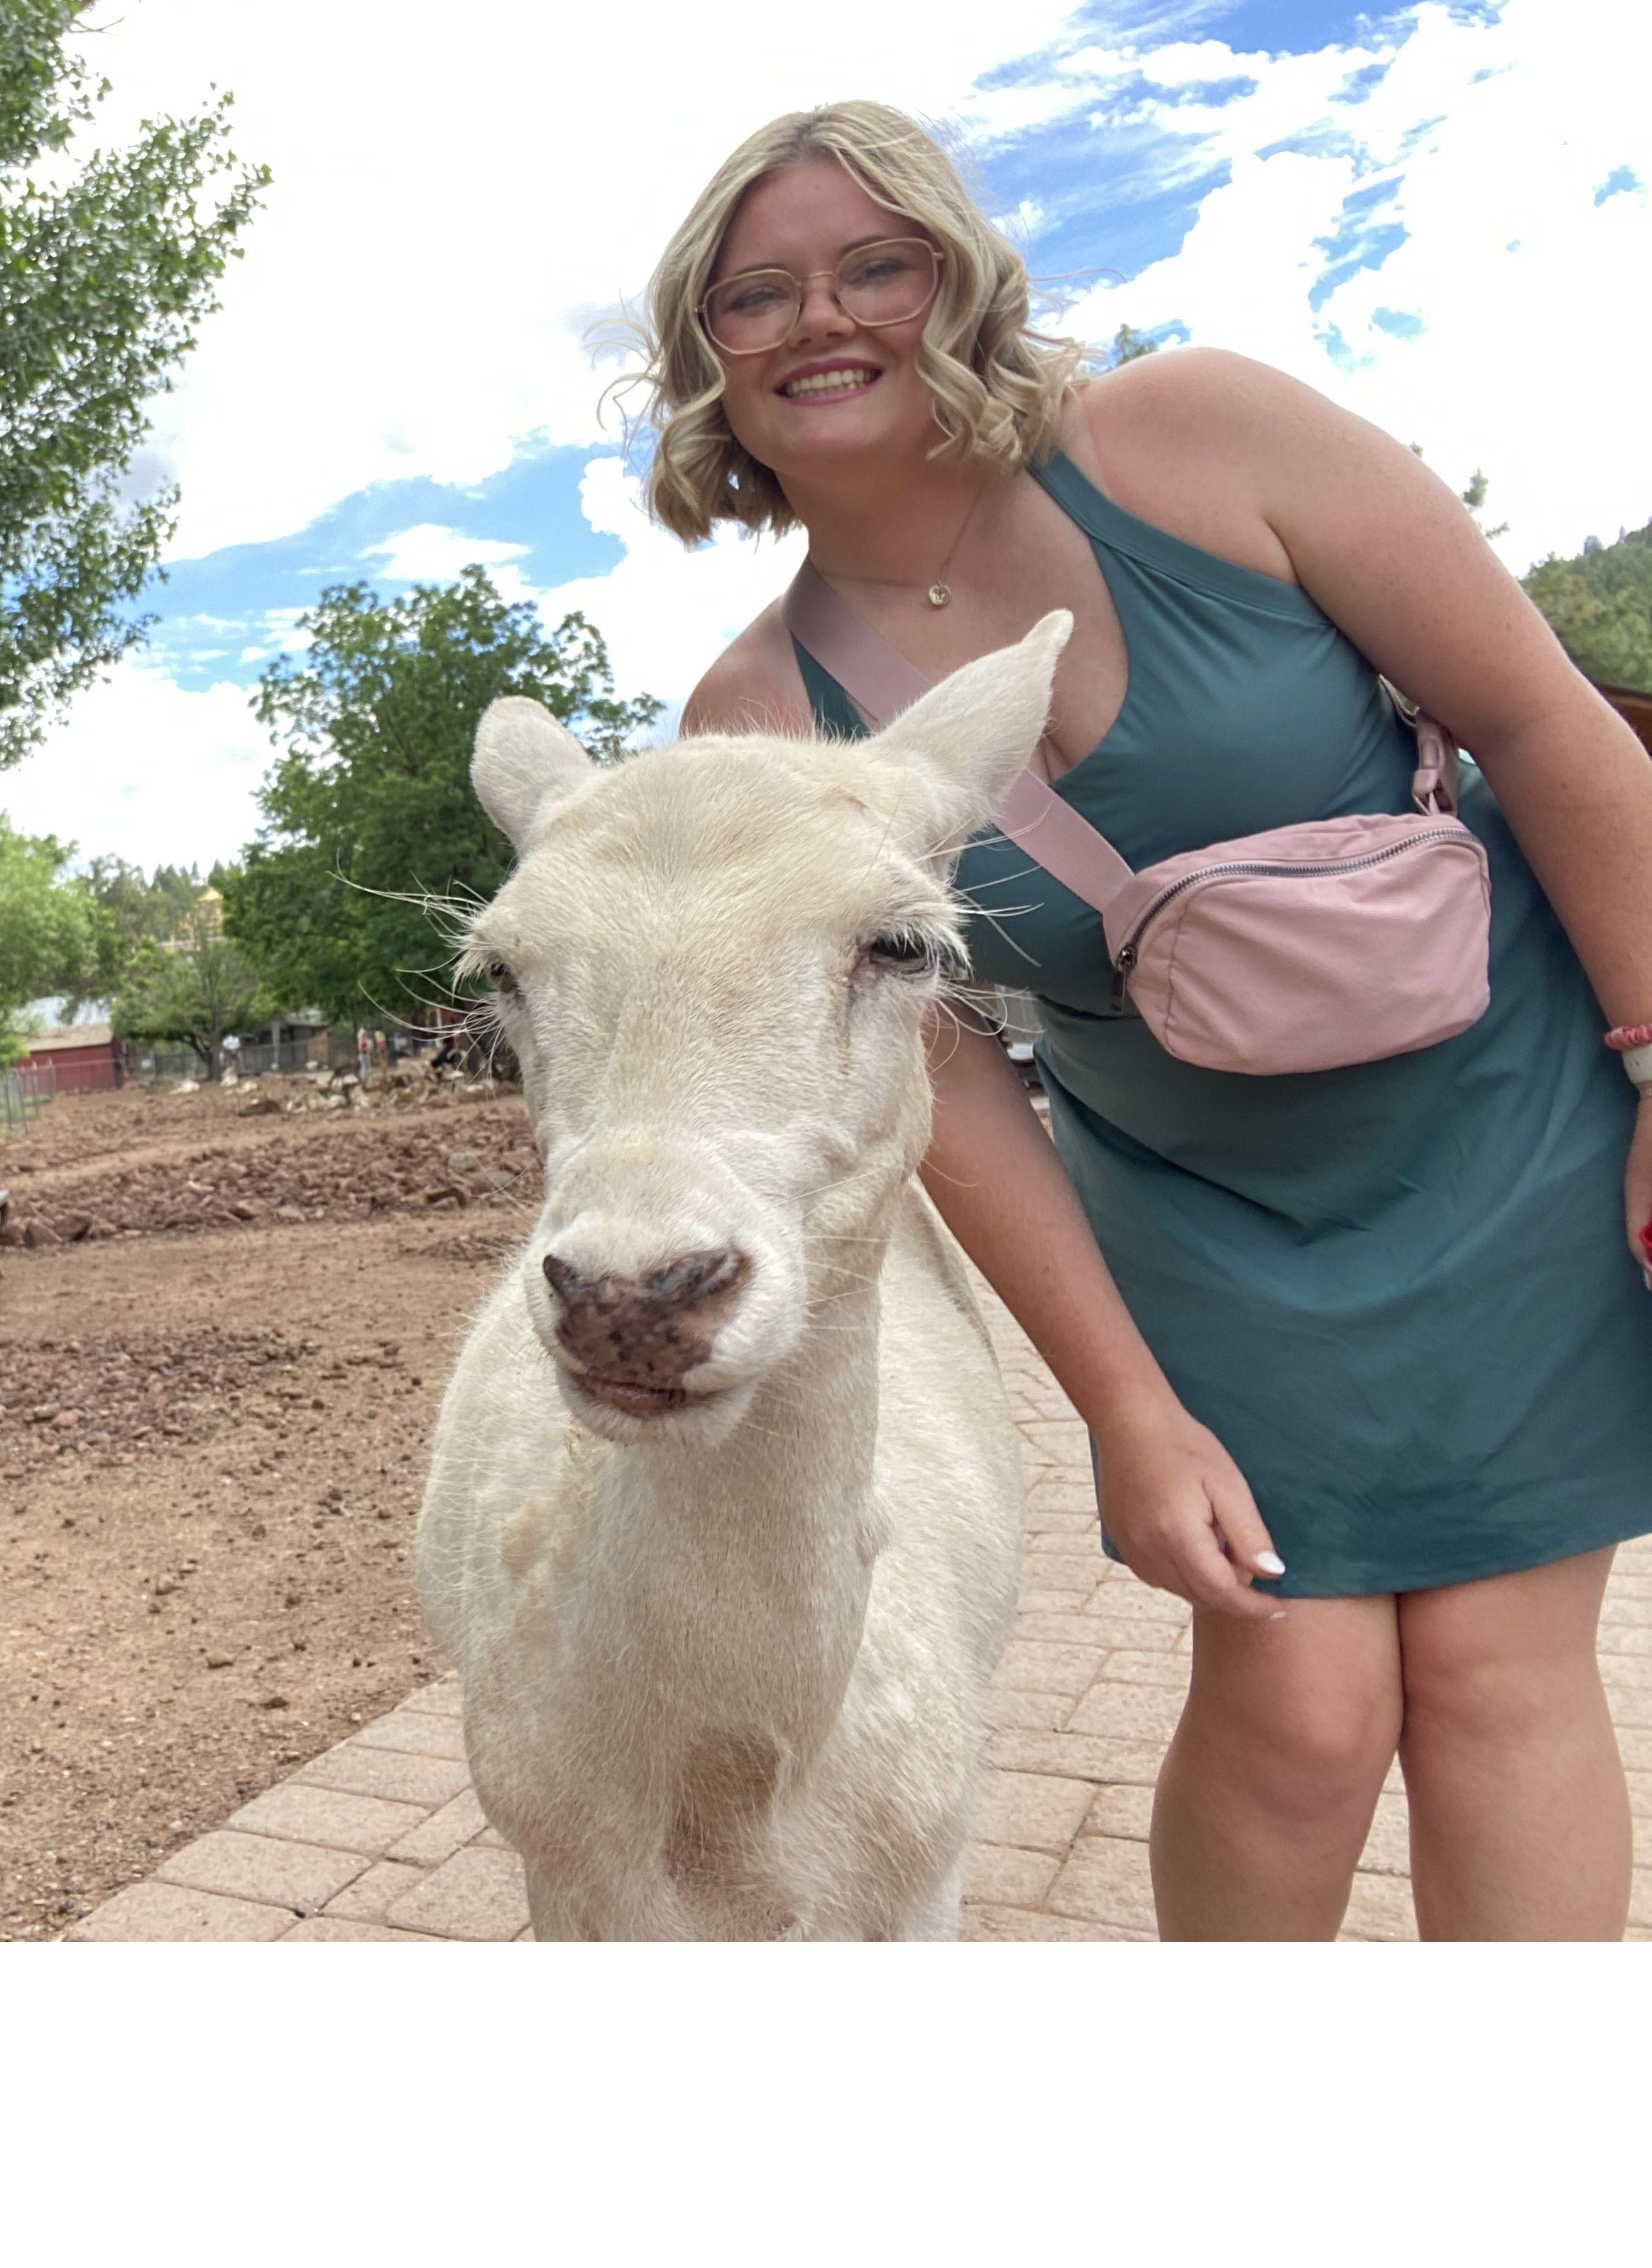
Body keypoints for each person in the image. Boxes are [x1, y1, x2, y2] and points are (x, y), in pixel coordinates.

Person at [650, 102, 1652, 1941]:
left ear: (957, 279)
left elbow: (1543, 717)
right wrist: (1119, 1402)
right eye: (757, 291)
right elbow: (924, 1066)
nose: (820, 316)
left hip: (1512, 1120)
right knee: (1299, 1698)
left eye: (873, 263)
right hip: (1201, 1212)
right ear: (704, 351)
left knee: (1504, 1683)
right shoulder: (761, 722)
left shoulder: (1200, 435)